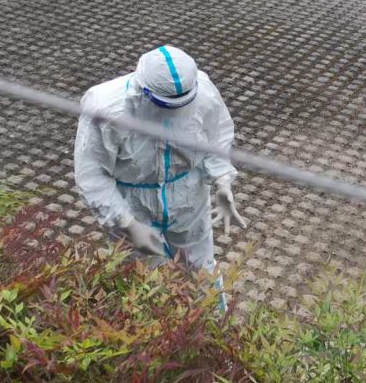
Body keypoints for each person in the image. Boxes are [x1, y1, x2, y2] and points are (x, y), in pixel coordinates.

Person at [73, 45, 246, 283]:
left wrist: (222, 181)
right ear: (143, 91)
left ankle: (211, 307)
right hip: (132, 203)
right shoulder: (107, 109)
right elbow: (92, 175)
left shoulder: (204, 91)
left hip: (188, 197)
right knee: (141, 277)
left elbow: (217, 137)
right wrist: (126, 223)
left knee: (201, 271)